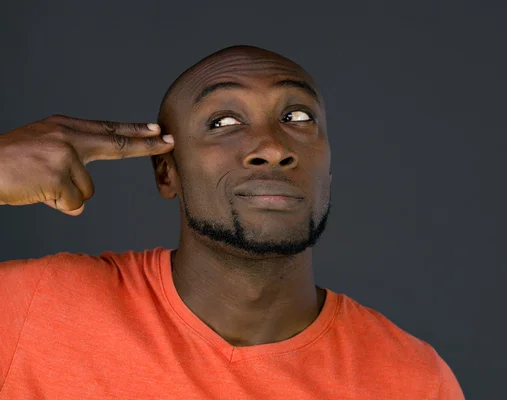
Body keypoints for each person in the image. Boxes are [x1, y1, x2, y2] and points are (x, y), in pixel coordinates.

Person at [0, 45, 464, 399]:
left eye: (297, 116)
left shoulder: (413, 379)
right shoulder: (31, 309)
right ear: (167, 172)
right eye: (223, 121)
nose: (272, 147)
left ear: (329, 166)